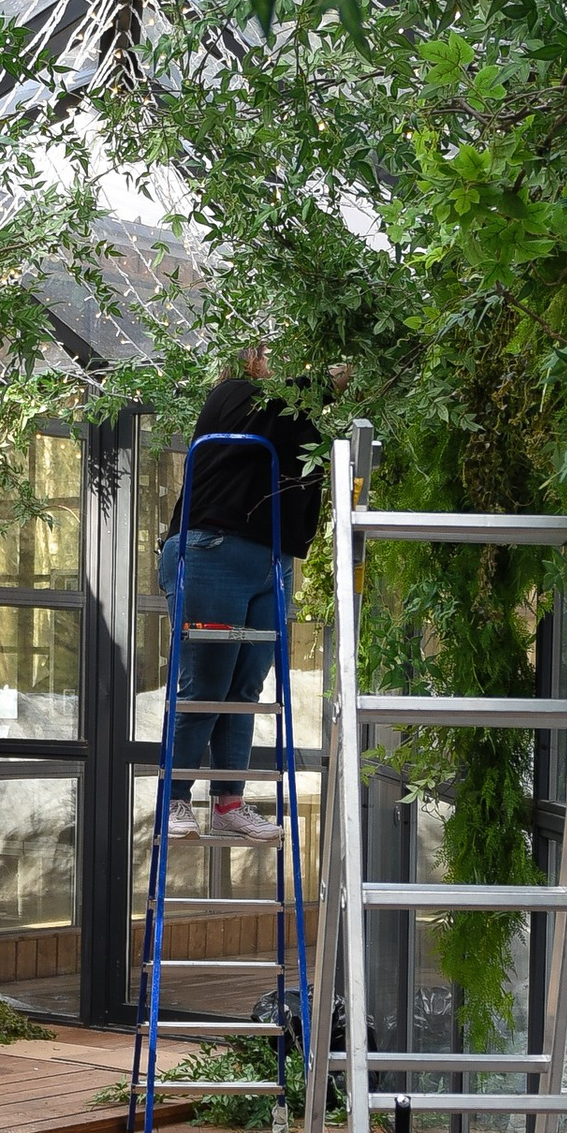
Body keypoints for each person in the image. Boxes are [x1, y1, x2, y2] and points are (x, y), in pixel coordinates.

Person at [158, 355, 325, 843]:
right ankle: (175, 799)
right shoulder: (232, 395)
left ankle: (229, 801)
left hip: (270, 561)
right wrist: (327, 378)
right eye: (270, 354)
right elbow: (277, 402)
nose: (277, 361)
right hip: (213, 550)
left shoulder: (286, 413)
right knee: (206, 685)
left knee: (245, 689)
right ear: (249, 359)